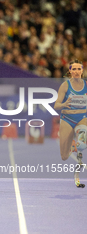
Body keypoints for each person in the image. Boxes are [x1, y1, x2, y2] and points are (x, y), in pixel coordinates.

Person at [54, 59, 87, 188]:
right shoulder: (65, 86)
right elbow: (56, 105)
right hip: (67, 119)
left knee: (83, 143)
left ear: (82, 71)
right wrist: (64, 104)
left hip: (82, 118)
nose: (77, 72)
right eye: (74, 69)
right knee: (64, 156)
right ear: (70, 71)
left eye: (79, 69)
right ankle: (72, 147)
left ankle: (78, 143)